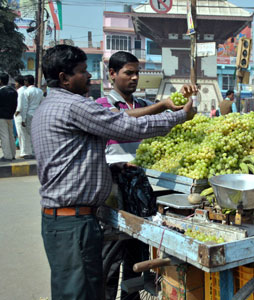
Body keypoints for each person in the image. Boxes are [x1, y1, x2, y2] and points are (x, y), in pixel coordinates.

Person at [31, 44, 197, 300]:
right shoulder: (76, 106)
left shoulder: (47, 106)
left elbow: (68, 158)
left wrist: (108, 166)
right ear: (64, 78)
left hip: (61, 220)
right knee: (82, 291)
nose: (88, 76)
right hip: (74, 223)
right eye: (82, 71)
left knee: (76, 289)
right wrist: (178, 117)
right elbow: (125, 126)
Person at [96, 51, 187, 299]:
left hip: (141, 188)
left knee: (137, 248)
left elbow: (171, 124)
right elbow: (118, 121)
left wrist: (186, 103)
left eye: (137, 73)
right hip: (113, 187)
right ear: (112, 74)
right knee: (112, 251)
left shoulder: (144, 106)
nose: (135, 78)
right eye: (128, 73)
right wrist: (162, 106)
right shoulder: (101, 107)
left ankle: (132, 296)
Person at [19, 75, 43, 159]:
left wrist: (23, 119)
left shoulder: (26, 92)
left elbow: (24, 106)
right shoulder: (40, 91)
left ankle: (33, 152)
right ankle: (37, 151)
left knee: (30, 134)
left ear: (26, 82)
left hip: (29, 114)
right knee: (36, 134)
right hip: (38, 114)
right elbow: (41, 103)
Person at [0, 73, 18, 162]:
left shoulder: (1, 92)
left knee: (4, 136)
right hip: (10, 116)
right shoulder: (13, 91)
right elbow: (15, 105)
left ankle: (7, 155)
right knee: (11, 135)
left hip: (1, 117)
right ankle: (12, 154)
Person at [14, 75, 29, 157]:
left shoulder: (19, 91)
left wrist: (16, 113)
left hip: (19, 115)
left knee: (21, 134)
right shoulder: (26, 90)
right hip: (27, 115)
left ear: (19, 83)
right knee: (26, 135)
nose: (15, 84)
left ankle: (23, 152)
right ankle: (27, 151)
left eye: (16, 82)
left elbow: (19, 105)